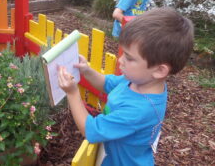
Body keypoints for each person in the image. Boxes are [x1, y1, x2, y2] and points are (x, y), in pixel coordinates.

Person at [58, 8, 194, 165]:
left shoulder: (139, 110)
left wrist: (72, 93)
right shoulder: (136, 81)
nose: (120, 60)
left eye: (129, 58)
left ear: (159, 70)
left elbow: (91, 131)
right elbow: (107, 84)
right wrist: (87, 71)